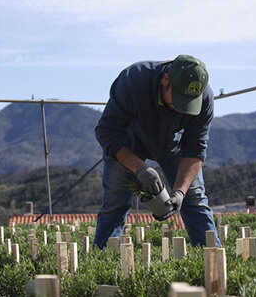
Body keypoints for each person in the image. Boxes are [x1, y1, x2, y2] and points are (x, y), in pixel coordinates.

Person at [93, 55, 218, 249]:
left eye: (188, 104)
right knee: (115, 203)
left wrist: (180, 191)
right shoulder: (134, 80)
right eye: (178, 101)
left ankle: (212, 257)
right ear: (165, 79)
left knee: (195, 200)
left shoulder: (204, 98)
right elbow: (107, 131)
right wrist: (140, 168)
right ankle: (103, 258)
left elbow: (196, 149)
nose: (181, 109)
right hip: (129, 142)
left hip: (172, 145)